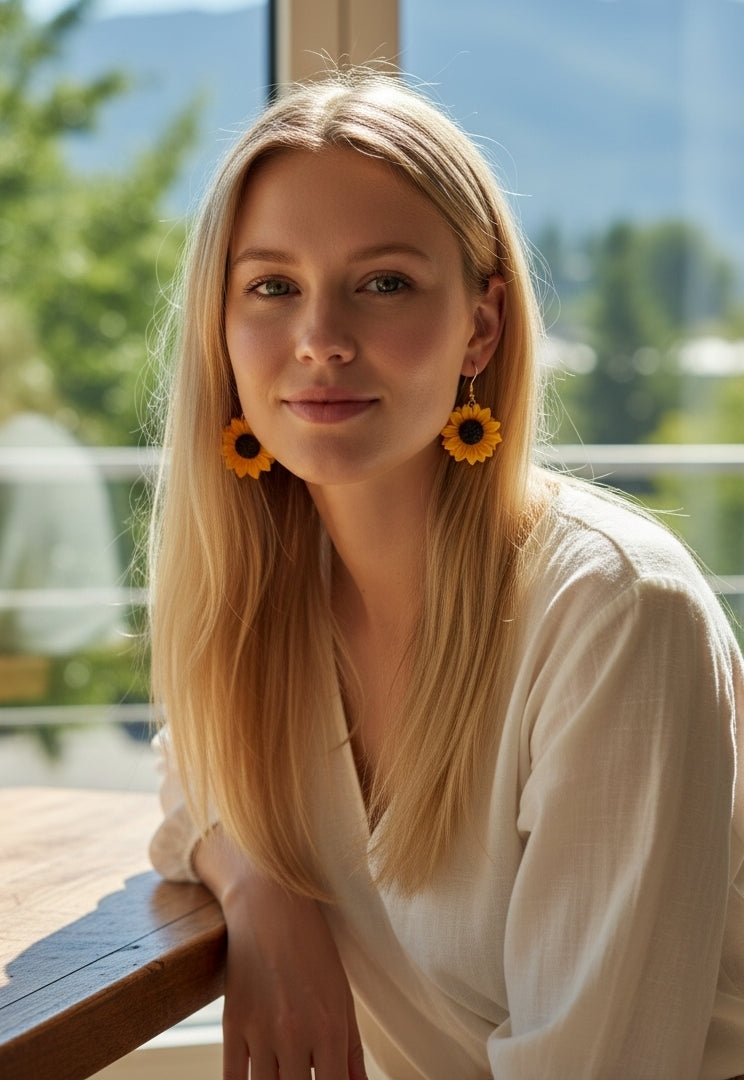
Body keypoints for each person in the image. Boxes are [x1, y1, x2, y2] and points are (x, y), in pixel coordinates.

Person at [147, 69, 744, 1080]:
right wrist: (260, 886)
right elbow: (185, 771)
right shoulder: (265, 605)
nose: (321, 339)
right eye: (271, 286)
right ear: (221, 328)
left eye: (383, 283)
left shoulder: (612, 611)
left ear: (481, 325)